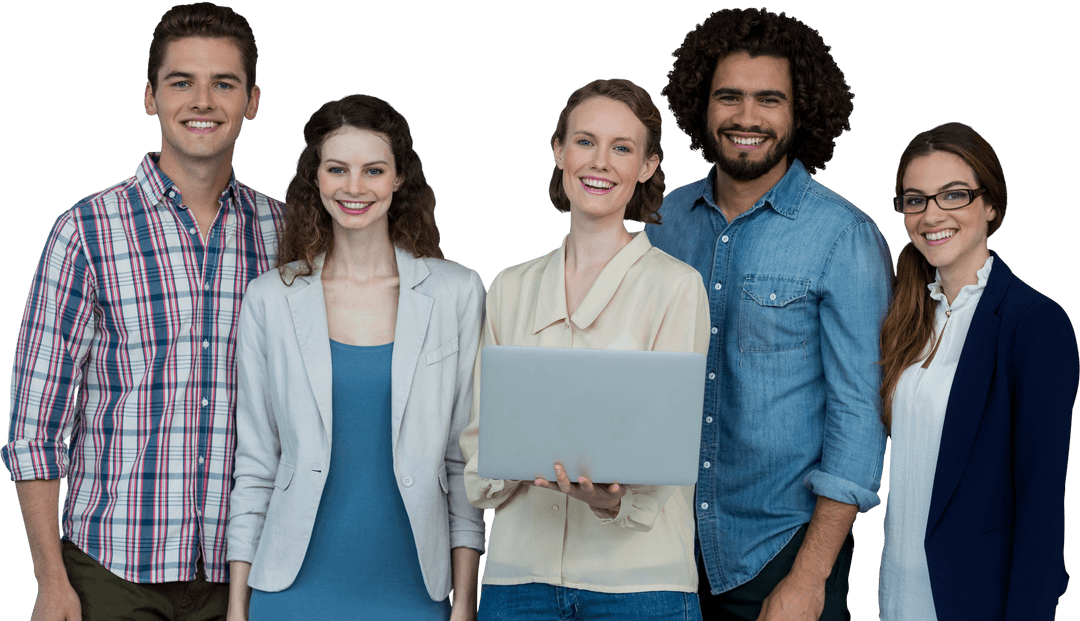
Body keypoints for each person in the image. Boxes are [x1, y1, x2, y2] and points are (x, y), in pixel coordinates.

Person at [2, 3, 282, 620]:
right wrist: (51, 582)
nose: (202, 101)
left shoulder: (284, 233)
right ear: (151, 98)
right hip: (111, 572)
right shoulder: (84, 232)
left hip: (248, 574)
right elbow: (35, 427)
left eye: (224, 84)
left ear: (252, 101)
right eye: (181, 82)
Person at [646, 8, 891, 620]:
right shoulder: (660, 224)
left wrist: (809, 579)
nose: (746, 118)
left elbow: (860, 418)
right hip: (660, 550)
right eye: (728, 96)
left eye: (769, 99)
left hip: (780, 554)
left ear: (800, 111)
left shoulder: (844, 236)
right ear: (700, 106)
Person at [225, 94, 485, 621]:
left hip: (415, 588)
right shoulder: (269, 298)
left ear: (399, 179)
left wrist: (465, 604)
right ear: (315, 179)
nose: (354, 187)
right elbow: (255, 466)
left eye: (373, 170)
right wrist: (237, 607)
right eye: (337, 169)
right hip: (290, 590)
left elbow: (462, 465)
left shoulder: (458, 292)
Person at [458, 78, 710, 621]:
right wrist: (510, 463)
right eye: (585, 142)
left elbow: (669, 448)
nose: (600, 162)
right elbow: (480, 445)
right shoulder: (510, 287)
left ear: (647, 166)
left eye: (623, 148)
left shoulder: (677, 287)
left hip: (641, 587)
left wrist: (613, 500)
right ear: (558, 150)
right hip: (518, 580)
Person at [878, 122, 1078, 620]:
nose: (932, 215)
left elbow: (1041, 508)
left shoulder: (1034, 322)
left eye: (954, 195)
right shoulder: (908, 315)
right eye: (915, 199)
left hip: (975, 602)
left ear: (991, 205)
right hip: (899, 594)